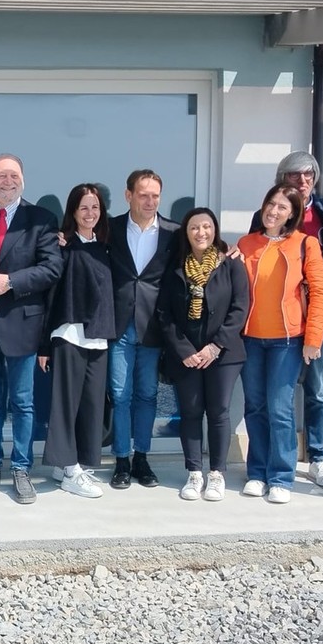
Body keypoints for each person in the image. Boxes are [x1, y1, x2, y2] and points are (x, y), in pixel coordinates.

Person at [0, 153, 62, 504]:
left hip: (22, 322)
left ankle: (21, 468)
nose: (8, 181)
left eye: (14, 175)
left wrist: (11, 281)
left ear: (23, 180)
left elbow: (52, 268)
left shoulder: (41, 219)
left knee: (22, 401)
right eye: (1, 176)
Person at [249, 152, 323, 489]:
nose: (303, 181)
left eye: (309, 175)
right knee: (270, 400)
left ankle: (318, 457)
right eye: (295, 175)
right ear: (282, 179)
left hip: (319, 317)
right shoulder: (262, 217)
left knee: (316, 389)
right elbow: (255, 261)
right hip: (275, 325)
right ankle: (265, 466)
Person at [237, 184, 323, 504]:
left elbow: (320, 292)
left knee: (279, 409)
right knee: (255, 406)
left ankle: (281, 476)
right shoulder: (247, 243)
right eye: (271, 204)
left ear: (292, 214)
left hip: (287, 341)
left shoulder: (305, 244)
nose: (273, 211)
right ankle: (257, 472)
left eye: (282, 207)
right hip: (250, 339)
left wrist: (313, 339)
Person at [157, 208, 249, 502]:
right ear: (186, 233)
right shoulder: (176, 266)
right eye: (194, 227)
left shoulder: (231, 263)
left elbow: (240, 308)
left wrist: (215, 346)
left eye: (206, 226)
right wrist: (184, 350)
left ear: (215, 230)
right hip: (187, 355)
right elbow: (164, 313)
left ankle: (217, 474)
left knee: (219, 411)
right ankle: (194, 473)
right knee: (191, 412)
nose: (201, 233)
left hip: (224, 353)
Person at [39, 184, 115, 499]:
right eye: (83, 207)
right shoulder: (63, 246)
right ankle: (69, 470)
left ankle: (73, 464)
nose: (90, 213)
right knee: (66, 404)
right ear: (73, 211)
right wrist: (44, 345)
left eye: (95, 207)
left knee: (92, 405)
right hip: (68, 334)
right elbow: (50, 297)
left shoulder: (107, 247)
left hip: (99, 336)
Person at [106, 169, 179, 490]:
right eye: (143, 195)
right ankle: (121, 460)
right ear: (129, 195)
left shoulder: (174, 233)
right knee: (120, 395)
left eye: (155, 196)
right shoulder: (109, 229)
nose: (150, 201)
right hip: (119, 325)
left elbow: (199, 255)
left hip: (153, 327)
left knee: (148, 395)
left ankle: (142, 458)